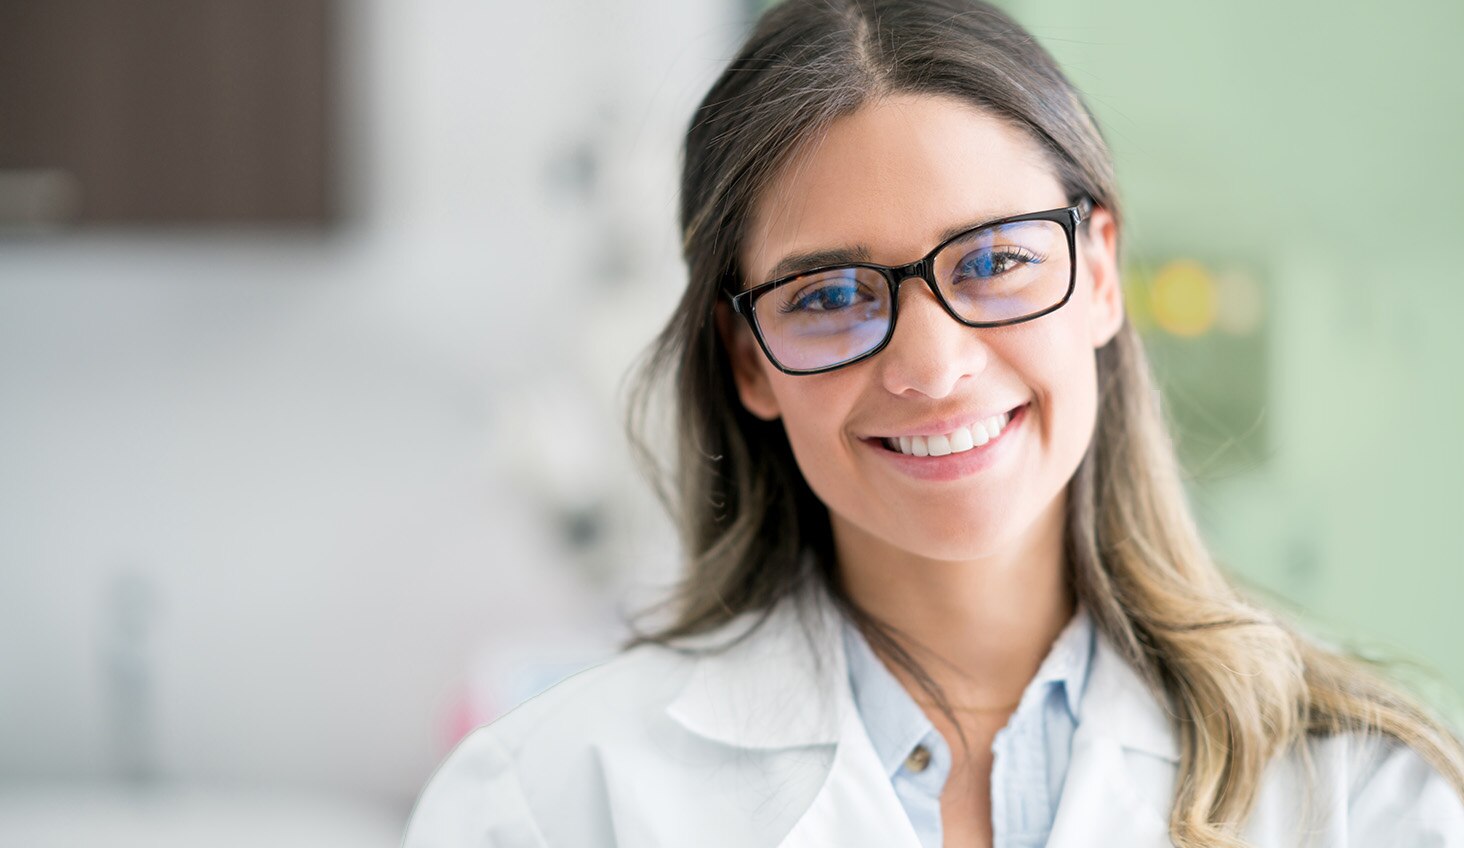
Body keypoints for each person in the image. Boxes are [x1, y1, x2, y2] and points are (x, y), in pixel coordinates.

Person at [402, 0, 1464, 845]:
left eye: (996, 262)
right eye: (828, 296)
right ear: (746, 360)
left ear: (1099, 272)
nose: (931, 364)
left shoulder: (1361, 795)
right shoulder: (547, 806)